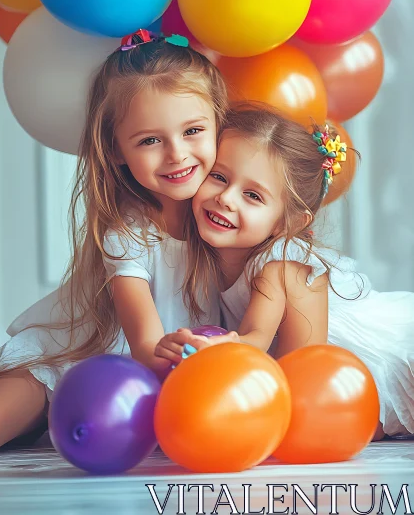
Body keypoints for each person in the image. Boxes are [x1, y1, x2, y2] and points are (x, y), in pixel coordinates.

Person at [0, 31, 228, 457]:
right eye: (150, 140)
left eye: (193, 130)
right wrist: (179, 353)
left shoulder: (231, 217)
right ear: (117, 150)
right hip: (75, 355)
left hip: (156, 381)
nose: (177, 154)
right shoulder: (128, 233)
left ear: (219, 124)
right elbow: (144, 347)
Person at [157, 107, 414, 439]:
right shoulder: (202, 254)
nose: (225, 198)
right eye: (219, 176)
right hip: (328, 381)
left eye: (252, 195)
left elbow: (259, 339)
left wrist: (217, 351)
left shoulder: (282, 264)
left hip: (387, 353)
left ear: (288, 223)